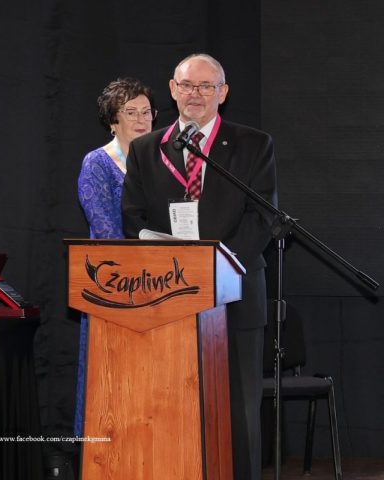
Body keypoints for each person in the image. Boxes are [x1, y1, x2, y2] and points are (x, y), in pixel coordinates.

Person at [122, 54, 277, 479]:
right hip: (167, 296)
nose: (196, 94)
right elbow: (133, 219)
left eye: (207, 86)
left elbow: (262, 217)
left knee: (239, 412)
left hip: (235, 293)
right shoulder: (145, 149)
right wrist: (179, 271)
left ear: (222, 94)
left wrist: (216, 269)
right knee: (170, 406)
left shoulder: (253, 144)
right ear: (173, 90)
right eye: (188, 85)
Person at [75, 77, 156, 435]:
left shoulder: (161, 162)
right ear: (113, 120)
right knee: (110, 380)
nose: (141, 120)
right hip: (113, 284)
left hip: (159, 283)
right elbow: (106, 230)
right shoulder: (97, 163)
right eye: (131, 112)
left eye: (147, 112)